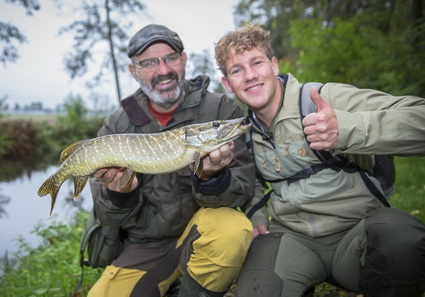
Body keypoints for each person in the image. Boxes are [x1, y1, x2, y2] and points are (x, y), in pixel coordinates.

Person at [214, 24, 425, 297]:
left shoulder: (322, 99)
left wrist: (348, 128)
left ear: (274, 65)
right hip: (292, 240)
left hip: (357, 236)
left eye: (257, 62)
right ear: (227, 83)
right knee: (258, 289)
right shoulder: (242, 132)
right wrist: (255, 213)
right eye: (236, 70)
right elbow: (250, 182)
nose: (250, 76)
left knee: (403, 239)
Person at [87, 24, 256, 297]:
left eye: (170, 58)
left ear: (184, 59)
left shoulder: (219, 110)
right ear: (134, 71)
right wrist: (121, 192)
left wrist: (213, 178)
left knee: (232, 229)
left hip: (202, 233)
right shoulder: (118, 124)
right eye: (149, 62)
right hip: (145, 246)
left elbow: (243, 190)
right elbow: (105, 215)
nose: (163, 70)